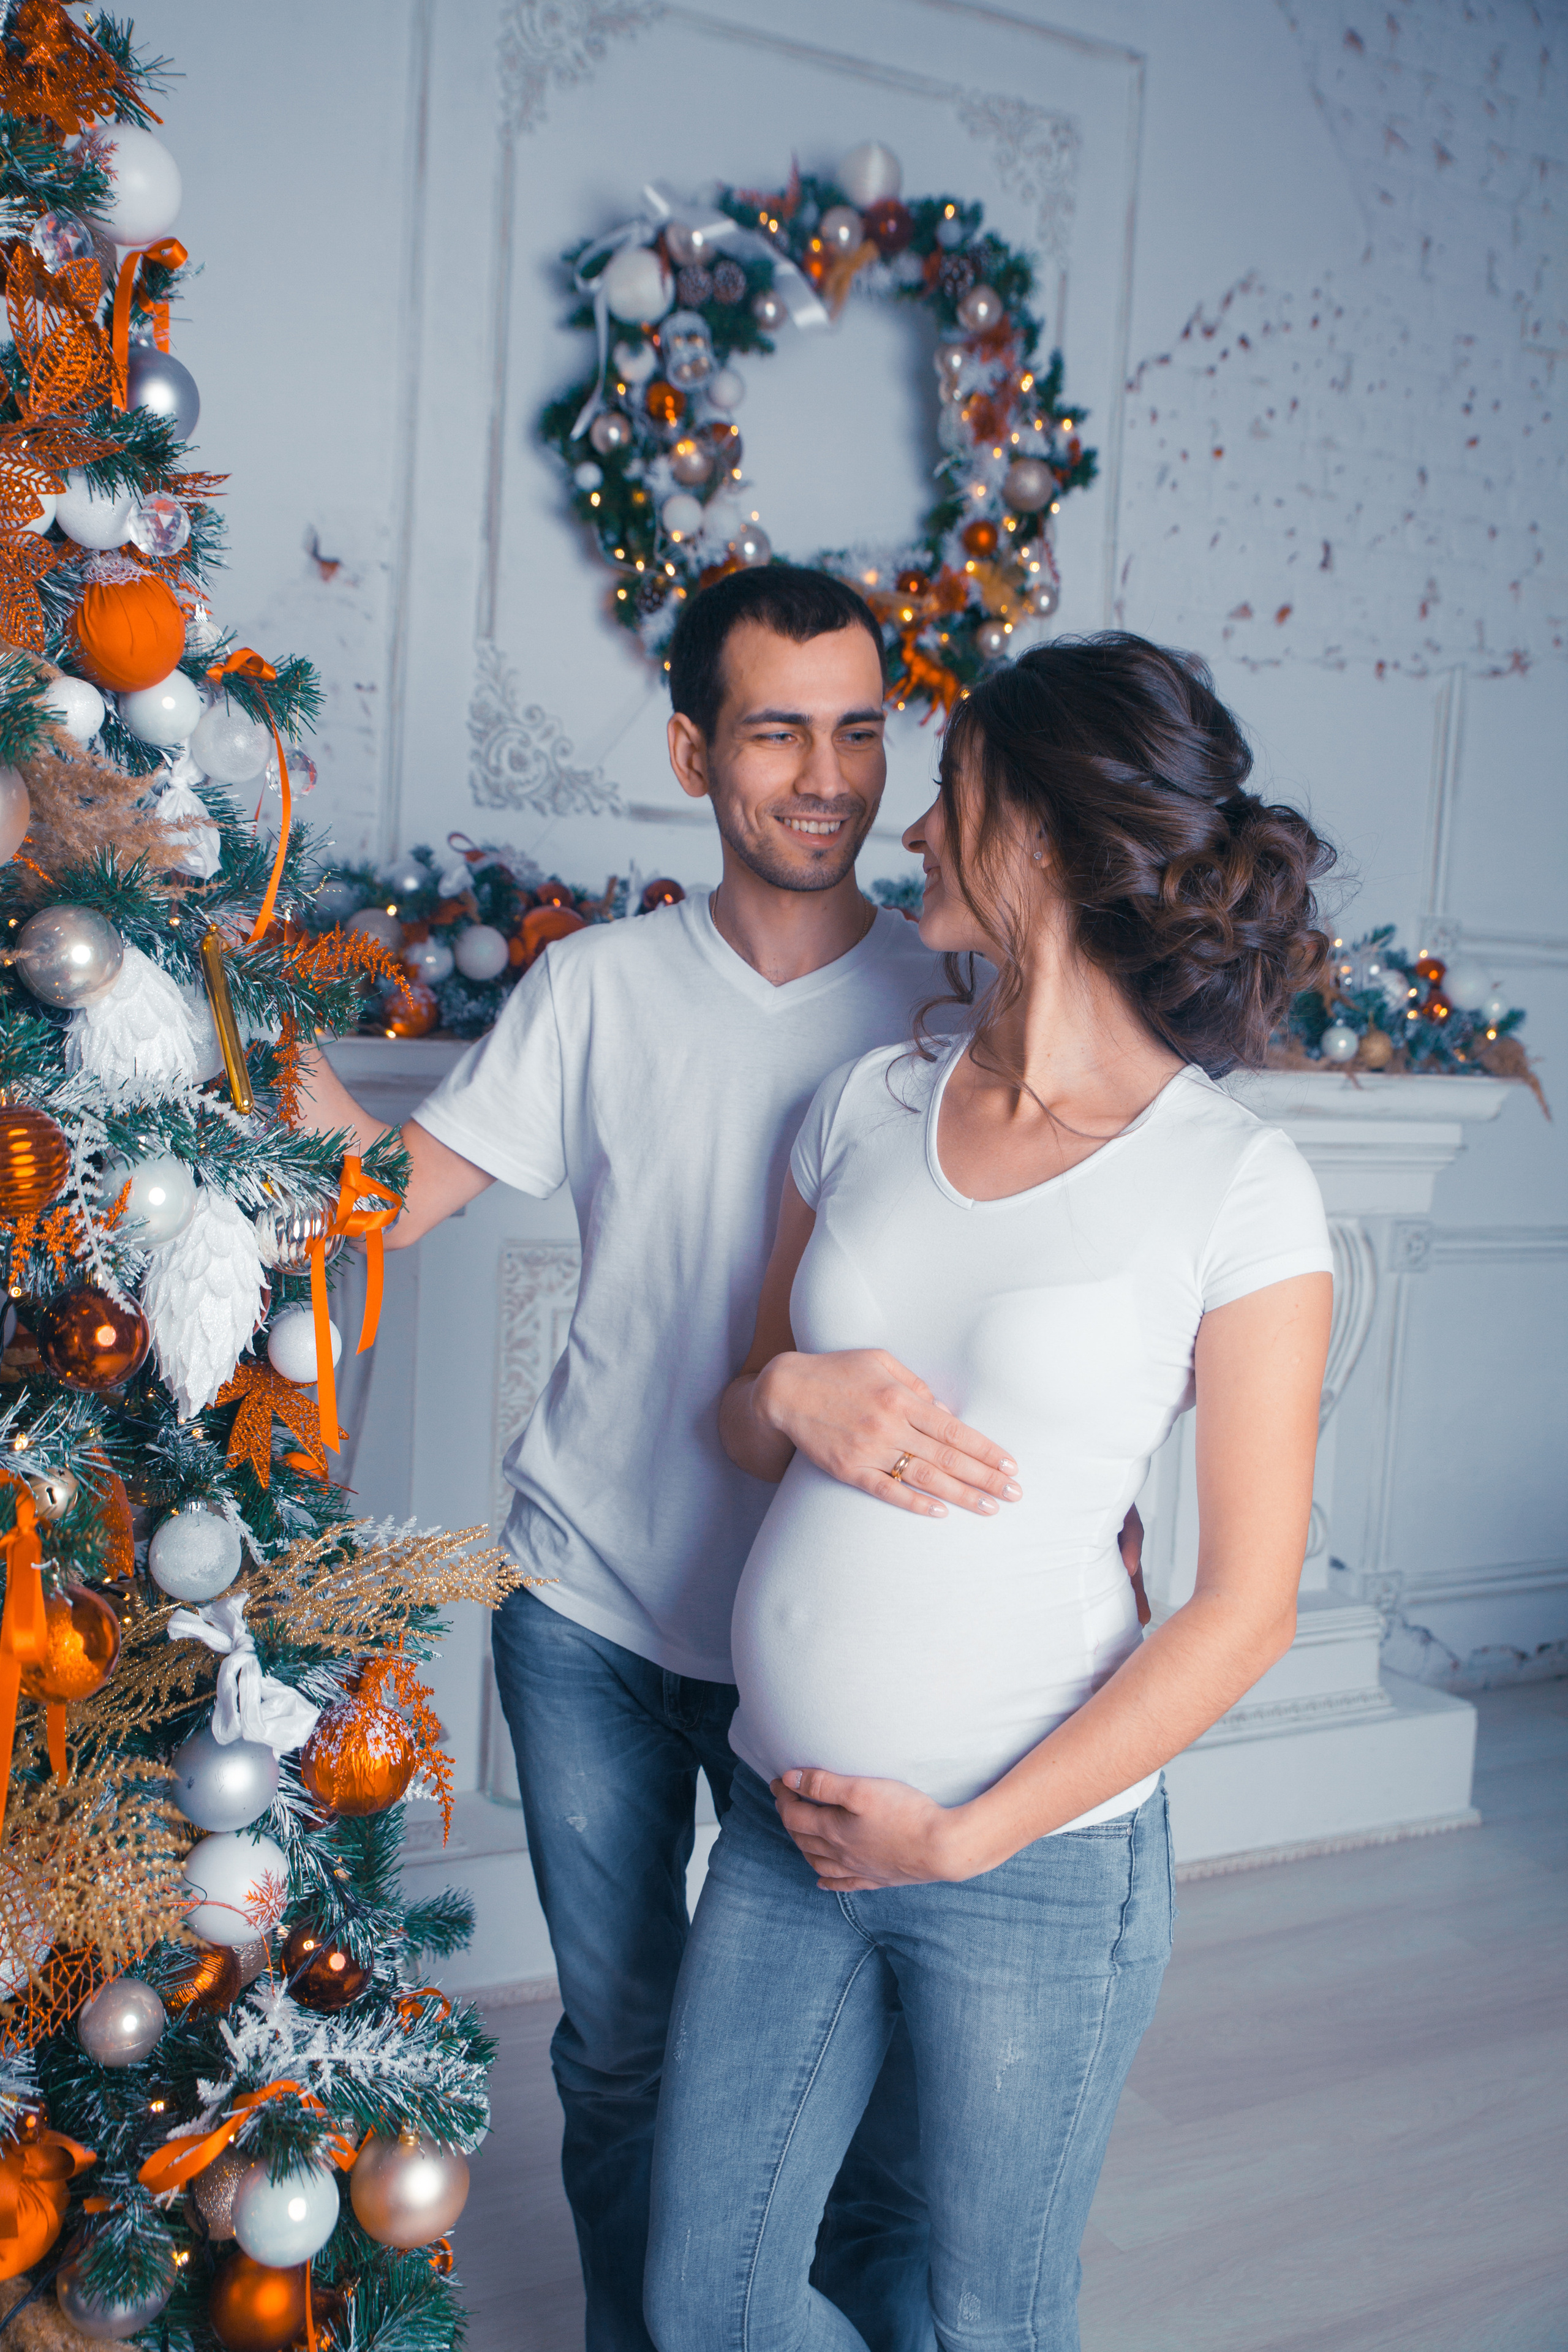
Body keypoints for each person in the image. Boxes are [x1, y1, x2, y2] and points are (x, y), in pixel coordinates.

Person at [300, 569, 1141, 2352]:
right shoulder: (594, 988)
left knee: (875, 2121)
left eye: (859, 731)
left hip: (836, 1658)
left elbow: (1078, 1269)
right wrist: (225, 1020)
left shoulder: (958, 996)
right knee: (620, 2059)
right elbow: (391, 1205)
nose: (828, 776)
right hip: (593, 1615)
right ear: (695, 749)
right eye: (778, 729)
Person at [643, 633, 1337, 2352]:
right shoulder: (866, 1103)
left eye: (946, 794)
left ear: (1035, 832)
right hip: (788, 1824)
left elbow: (1247, 1608)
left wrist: (963, 1835)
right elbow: (737, 1417)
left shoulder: (1238, 1189)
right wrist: (791, 1392)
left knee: (990, 2313)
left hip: (1033, 1861)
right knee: (704, 2306)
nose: (911, 832)